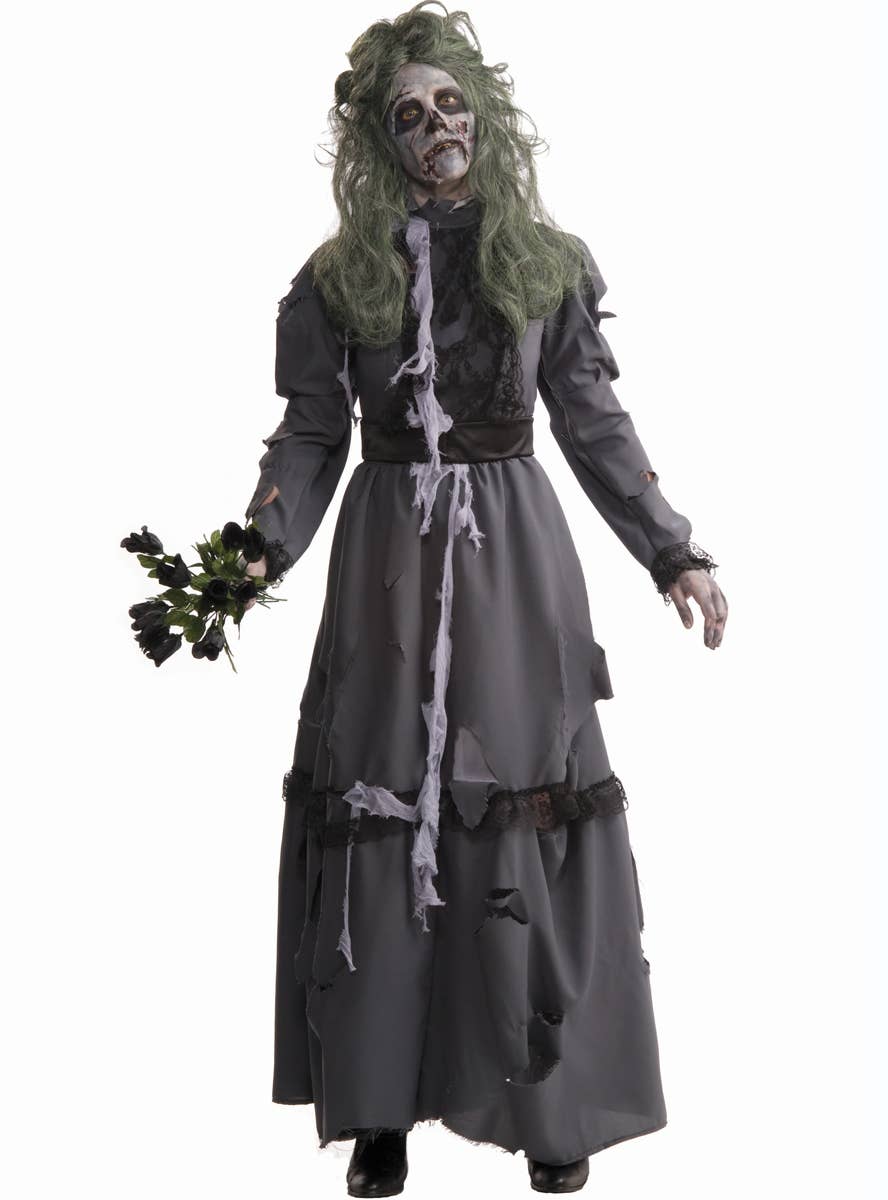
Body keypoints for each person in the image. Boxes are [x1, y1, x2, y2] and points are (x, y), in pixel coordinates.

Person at [243, 3, 728, 1195]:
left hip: (513, 559)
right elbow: (311, 434)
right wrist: (252, 551)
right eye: (408, 114)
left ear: (485, 115)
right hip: (387, 566)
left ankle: (547, 1099)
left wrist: (671, 550)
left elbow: (594, 422)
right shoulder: (340, 276)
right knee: (384, 797)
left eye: (451, 104)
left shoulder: (542, 263)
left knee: (519, 798)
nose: (435, 128)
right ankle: (380, 1108)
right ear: (381, 139)